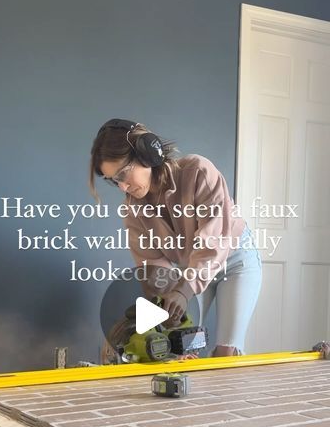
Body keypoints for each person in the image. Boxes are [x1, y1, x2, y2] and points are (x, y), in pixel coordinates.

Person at [89, 119, 262, 357]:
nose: (122, 187)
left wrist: (184, 291)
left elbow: (213, 243)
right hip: (191, 268)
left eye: (123, 174)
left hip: (234, 260)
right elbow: (154, 268)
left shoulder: (197, 172)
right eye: (114, 180)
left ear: (147, 154)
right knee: (182, 347)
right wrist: (161, 313)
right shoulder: (133, 211)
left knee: (227, 351)